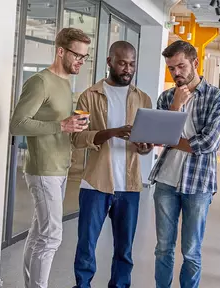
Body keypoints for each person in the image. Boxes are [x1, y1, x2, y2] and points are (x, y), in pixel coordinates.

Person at [9, 28, 91, 288]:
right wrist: (61, 126)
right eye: (77, 55)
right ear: (60, 51)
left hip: (60, 168)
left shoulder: (65, 83)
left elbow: (58, 123)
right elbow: (17, 124)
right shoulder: (39, 82)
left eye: (84, 57)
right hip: (43, 169)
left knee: (38, 234)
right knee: (52, 236)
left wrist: (72, 126)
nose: (80, 61)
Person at [71, 41, 153, 288]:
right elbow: (77, 138)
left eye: (132, 64)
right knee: (86, 246)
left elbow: (146, 144)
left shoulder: (144, 99)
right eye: (122, 63)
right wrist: (112, 132)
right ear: (109, 62)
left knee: (124, 251)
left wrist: (145, 147)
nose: (127, 69)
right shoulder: (88, 96)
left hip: (129, 186)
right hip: (95, 183)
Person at [148, 40, 220, 288]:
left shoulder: (217, 98)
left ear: (195, 63)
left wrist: (171, 139)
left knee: (191, 251)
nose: (176, 73)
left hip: (199, 183)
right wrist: (175, 107)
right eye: (171, 68)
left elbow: (207, 145)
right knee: (163, 248)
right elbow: (159, 138)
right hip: (165, 181)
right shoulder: (166, 98)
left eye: (181, 66)